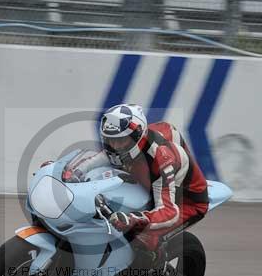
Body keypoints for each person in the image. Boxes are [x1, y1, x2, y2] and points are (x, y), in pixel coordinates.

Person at [63, 104, 209, 267]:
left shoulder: (161, 159)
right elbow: (93, 161)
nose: (115, 147)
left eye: (121, 141)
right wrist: (68, 171)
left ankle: (152, 272)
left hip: (185, 201)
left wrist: (134, 219)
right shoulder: (125, 144)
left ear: (138, 137)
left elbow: (169, 212)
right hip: (150, 185)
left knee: (142, 239)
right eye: (110, 140)